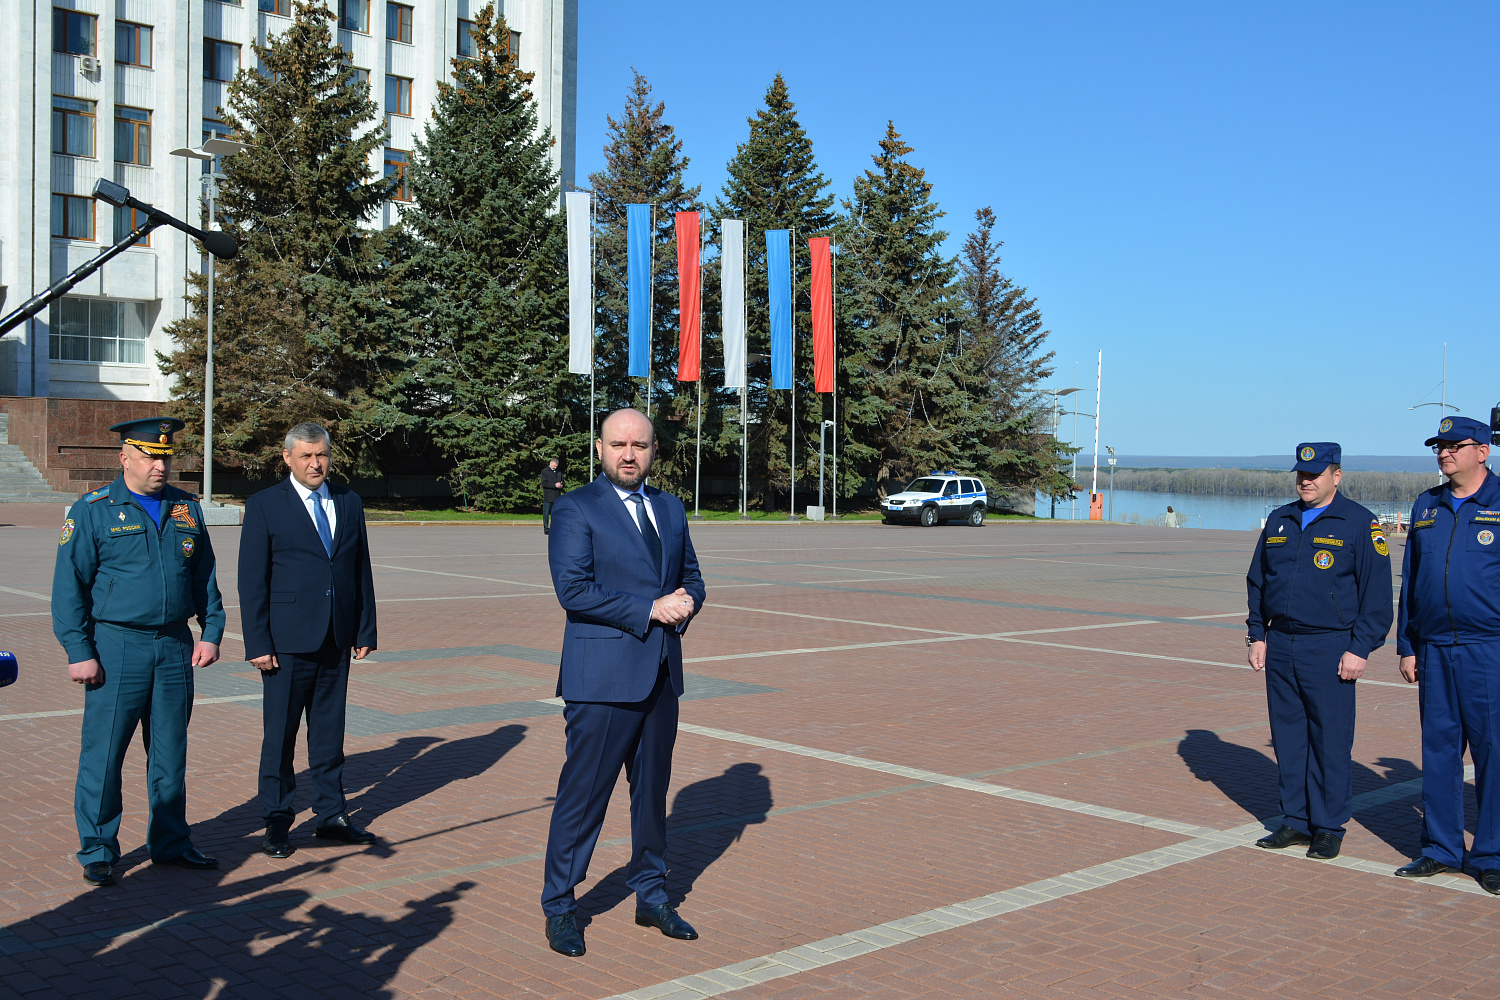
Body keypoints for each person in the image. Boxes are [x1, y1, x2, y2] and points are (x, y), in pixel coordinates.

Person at [540, 408, 707, 957]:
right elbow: (574, 590)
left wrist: (687, 604)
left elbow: (693, 578)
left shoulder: (670, 508)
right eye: (618, 444)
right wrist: (651, 608)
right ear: (600, 448)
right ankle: (561, 905)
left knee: (651, 796)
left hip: (660, 675)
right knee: (584, 796)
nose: (629, 454)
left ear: (654, 450)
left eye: (639, 444)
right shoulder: (574, 508)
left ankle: (652, 895)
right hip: (602, 680)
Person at [52, 417, 225, 886]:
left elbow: (203, 576)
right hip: (115, 647)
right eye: (150, 456)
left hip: (173, 646)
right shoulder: (93, 509)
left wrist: (211, 631)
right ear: (124, 457)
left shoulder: (186, 509)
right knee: (104, 754)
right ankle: (98, 847)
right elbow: (69, 587)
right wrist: (78, 649)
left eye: (166, 457)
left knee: (169, 754)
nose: (160, 466)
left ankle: (169, 842)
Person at [1245, 441, 1392, 861]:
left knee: (1329, 740)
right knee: (1290, 738)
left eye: (1315, 474)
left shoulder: (1359, 523)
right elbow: (1257, 582)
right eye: (1301, 474)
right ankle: (1294, 821)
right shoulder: (1280, 520)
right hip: (1283, 643)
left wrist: (1360, 647)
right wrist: (1258, 634)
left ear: (1336, 475)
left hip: (1332, 646)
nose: (1306, 481)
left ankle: (1328, 826)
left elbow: (1378, 596)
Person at [238, 423, 378, 859]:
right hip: (285, 643)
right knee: (279, 737)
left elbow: (360, 570)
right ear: (287, 458)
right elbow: (251, 580)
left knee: (329, 734)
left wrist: (364, 629)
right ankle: (277, 819)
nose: (316, 464)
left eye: (322, 456)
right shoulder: (264, 506)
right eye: (306, 457)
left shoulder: (348, 501)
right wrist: (258, 642)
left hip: (335, 637)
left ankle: (331, 815)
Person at [1392, 415, 1500, 891]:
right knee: (1438, 752)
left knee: (1493, 753)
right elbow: (1411, 581)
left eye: (1456, 445)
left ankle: (1492, 855)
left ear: (1483, 451)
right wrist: (1407, 645)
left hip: (1489, 651)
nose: (1445, 452)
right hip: (1435, 649)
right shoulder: (1427, 506)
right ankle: (1440, 848)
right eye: (1439, 446)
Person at [541, 458, 564, 535]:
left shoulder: (559, 472)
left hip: (557, 496)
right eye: (554, 466)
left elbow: (563, 481)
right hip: (548, 496)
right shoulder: (545, 471)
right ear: (551, 463)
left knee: (556, 513)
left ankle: (555, 527)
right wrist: (554, 485)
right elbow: (544, 483)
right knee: (546, 513)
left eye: (556, 466)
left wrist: (561, 484)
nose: (555, 467)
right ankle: (546, 528)